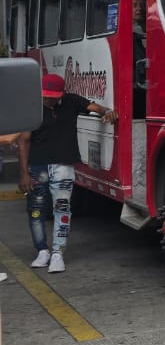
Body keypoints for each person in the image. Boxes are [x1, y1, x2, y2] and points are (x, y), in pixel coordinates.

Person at [15, 74, 117, 273]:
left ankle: (57, 253)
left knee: (62, 209)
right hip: (38, 167)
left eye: (53, 96)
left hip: (63, 166)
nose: (49, 100)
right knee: (36, 211)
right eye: (46, 96)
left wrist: (108, 112)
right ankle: (42, 250)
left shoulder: (71, 101)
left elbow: (95, 108)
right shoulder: (32, 106)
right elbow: (23, 141)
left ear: (61, 93)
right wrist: (23, 173)